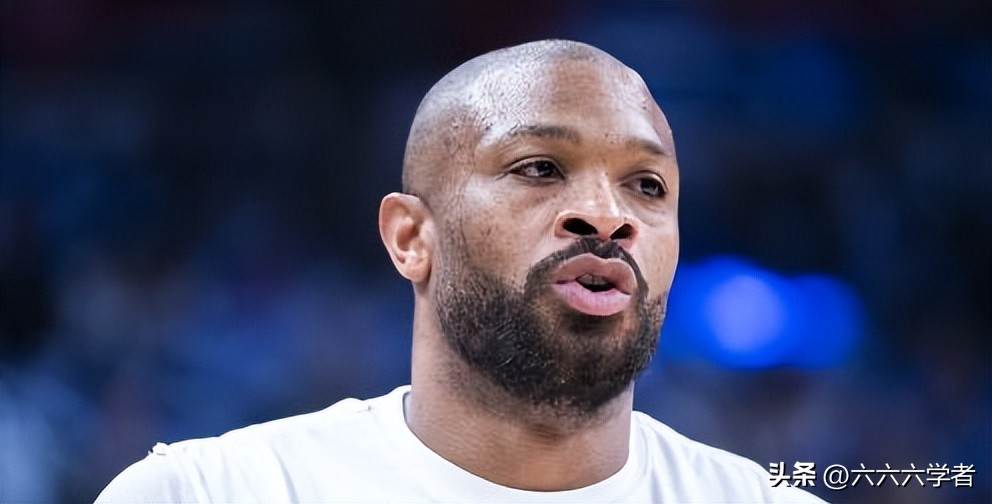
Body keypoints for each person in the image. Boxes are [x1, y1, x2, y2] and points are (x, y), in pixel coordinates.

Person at [97, 39, 826, 503]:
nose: (607, 216)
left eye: (647, 185)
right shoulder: (207, 494)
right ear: (411, 237)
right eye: (540, 168)